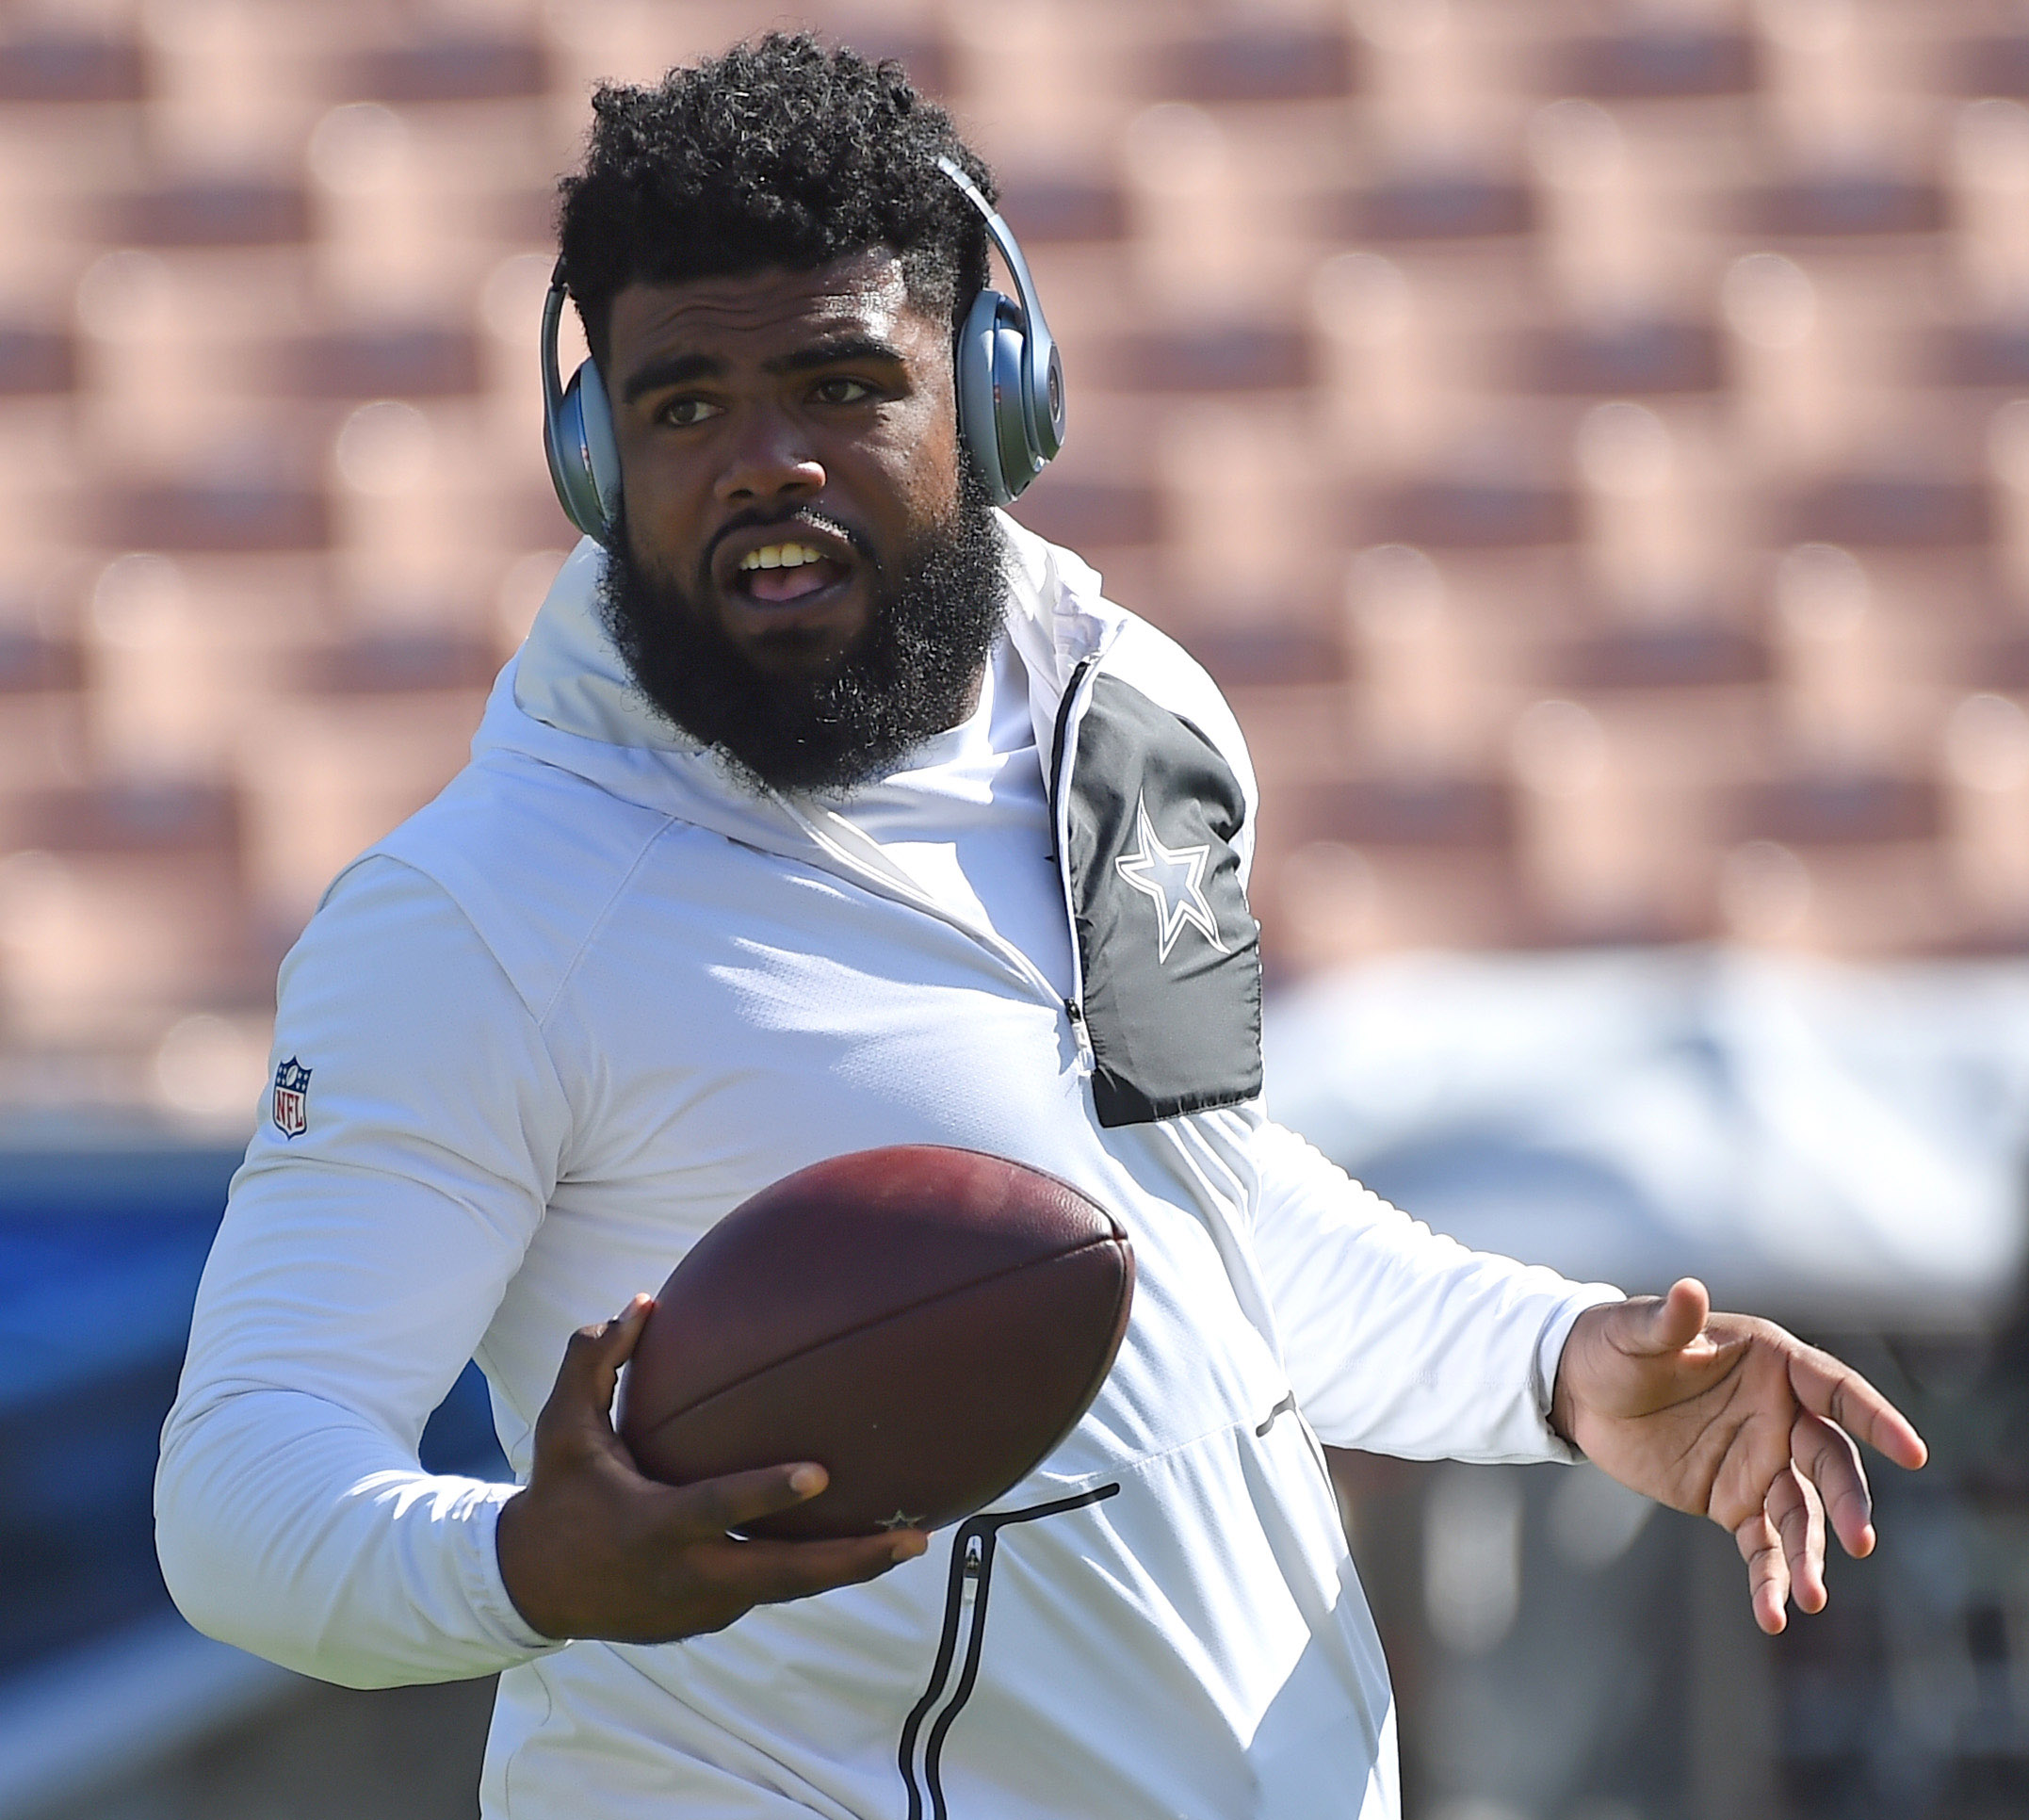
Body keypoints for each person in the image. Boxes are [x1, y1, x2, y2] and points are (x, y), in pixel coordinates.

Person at [155, 34, 1925, 1820]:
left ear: (995, 390)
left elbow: (1178, 1228)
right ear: (592, 446)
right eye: (685, 403)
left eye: (843, 384)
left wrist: (1542, 1365)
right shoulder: (476, 916)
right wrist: (523, 1567)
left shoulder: (1125, 711)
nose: (766, 463)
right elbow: (241, 1487)